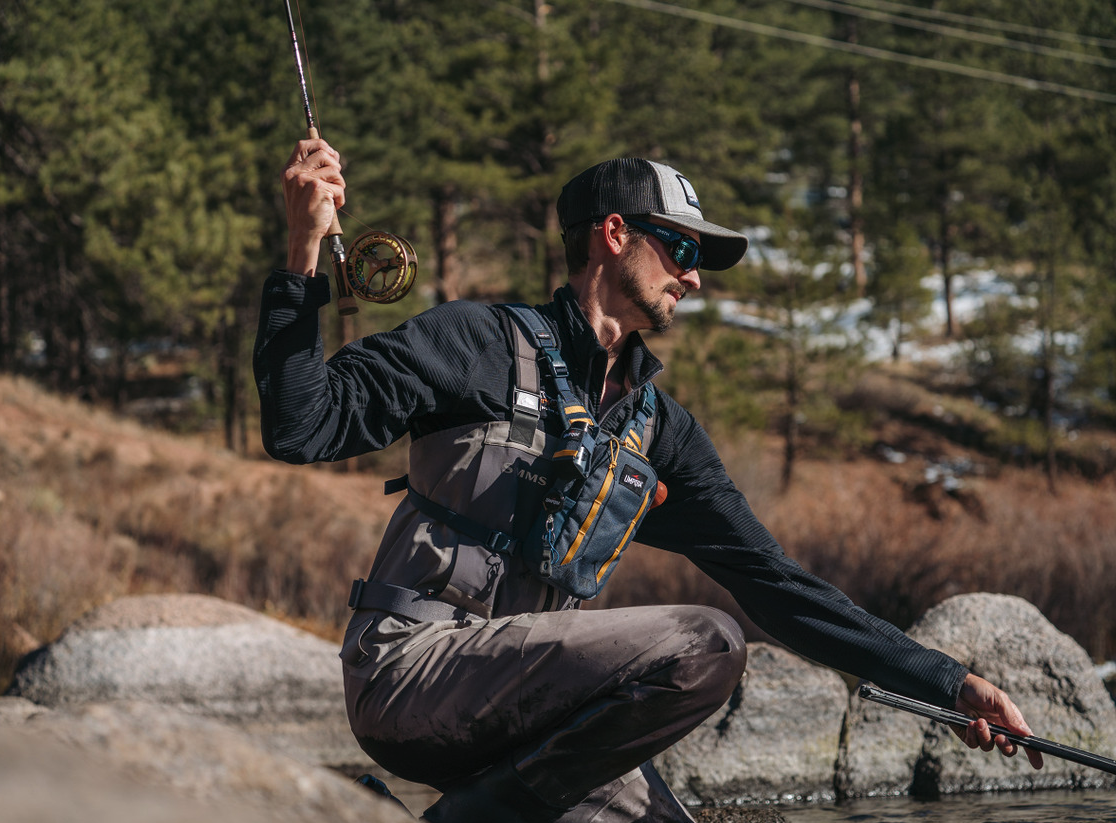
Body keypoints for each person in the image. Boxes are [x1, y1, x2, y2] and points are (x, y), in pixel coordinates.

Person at [255, 138, 1044, 823]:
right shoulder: (472, 342)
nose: (695, 279)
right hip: (408, 672)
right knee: (706, 644)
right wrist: (301, 250)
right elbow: (302, 426)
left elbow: (775, 583)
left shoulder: (657, 429)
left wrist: (949, 685)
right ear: (613, 233)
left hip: (530, 714)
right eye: (684, 250)